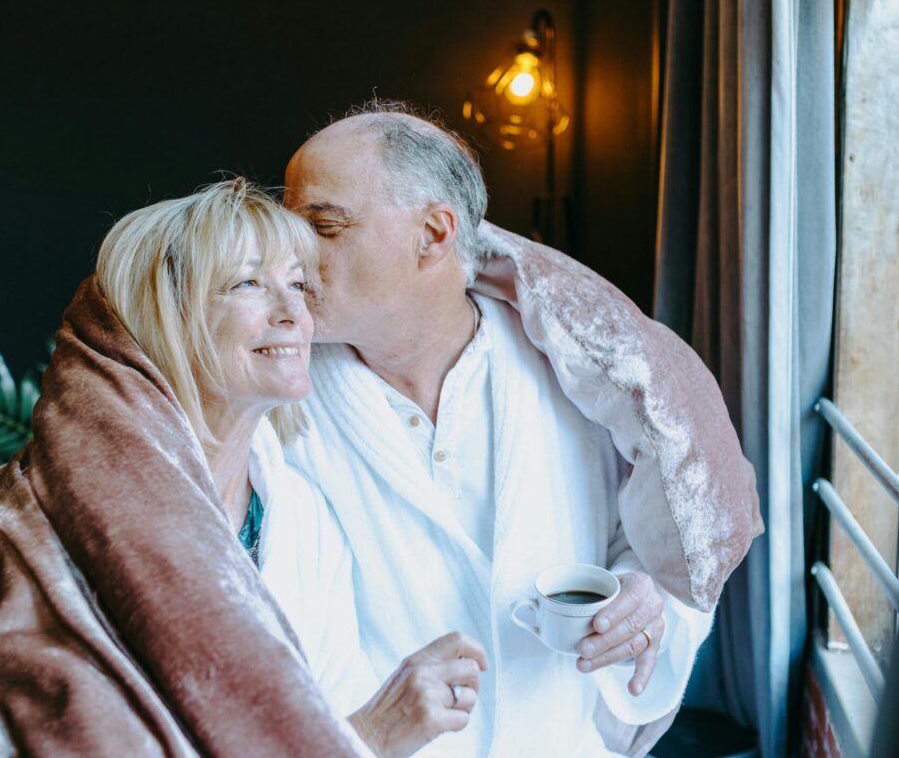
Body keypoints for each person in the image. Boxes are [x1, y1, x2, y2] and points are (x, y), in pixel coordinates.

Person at [0, 178, 483, 758]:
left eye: (300, 285)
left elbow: (322, 722)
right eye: (248, 282)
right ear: (173, 315)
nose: (292, 313)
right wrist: (375, 733)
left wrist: (373, 730)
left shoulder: (304, 521)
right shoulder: (59, 507)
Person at [281, 103, 763, 757]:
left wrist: (644, 592)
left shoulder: (570, 376)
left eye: (324, 225)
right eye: (286, 223)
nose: (290, 251)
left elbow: (649, 528)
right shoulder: (278, 405)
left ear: (433, 233)